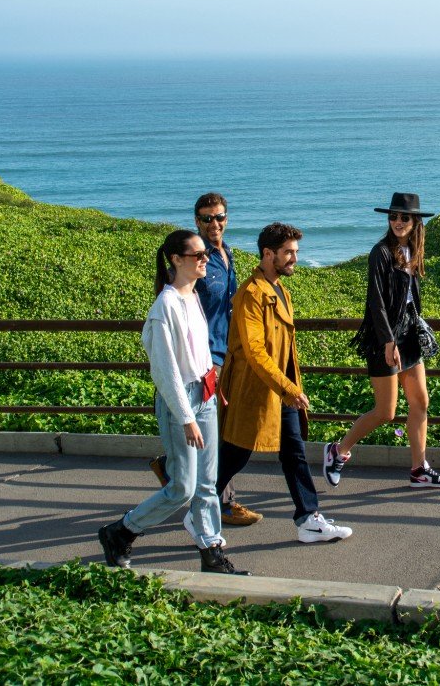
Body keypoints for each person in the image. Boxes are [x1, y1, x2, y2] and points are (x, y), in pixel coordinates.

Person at [98, 230, 249, 575]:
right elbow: (165, 373)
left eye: (205, 254)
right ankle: (121, 531)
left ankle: (212, 553)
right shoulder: (164, 307)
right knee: (182, 486)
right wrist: (186, 417)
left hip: (205, 393)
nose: (204, 259)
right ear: (176, 260)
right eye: (196, 255)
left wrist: (213, 384)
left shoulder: (192, 296)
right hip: (179, 402)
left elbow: (198, 353)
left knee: (209, 483)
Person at [217, 222, 352, 543]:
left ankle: (308, 518)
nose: (295, 258)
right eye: (288, 252)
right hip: (257, 391)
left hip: (280, 390)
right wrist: (289, 388)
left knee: (293, 452)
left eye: (296, 252)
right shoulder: (250, 295)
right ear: (268, 254)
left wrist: (289, 387)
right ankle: (196, 500)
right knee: (236, 454)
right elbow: (254, 350)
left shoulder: (281, 290)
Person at [324, 192, 440, 489]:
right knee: (386, 411)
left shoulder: (413, 251)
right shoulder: (380, 252)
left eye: (404, 217)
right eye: (393, 216)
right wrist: (387, 341)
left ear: (415, 221)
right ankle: (338, 451)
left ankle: (419, 469)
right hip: (384, 337)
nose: (397, 221)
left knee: (420, 402)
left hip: (408, 334)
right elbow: (376, 301)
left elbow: (409, 298)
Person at [150, 193, 261, 526]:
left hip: (226, 353)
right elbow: (178, 308)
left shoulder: (226, 254)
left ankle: (175, 473)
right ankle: (221, 505)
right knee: (218, 436)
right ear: (196, 221)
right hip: (205, 359)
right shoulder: (195, 260)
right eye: (207, 218)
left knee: (219, 432)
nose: (215, 223)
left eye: (220, 216)